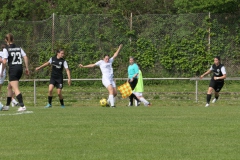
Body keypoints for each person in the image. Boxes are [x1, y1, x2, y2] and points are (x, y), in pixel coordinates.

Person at [0, 33, 29, 111]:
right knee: (9, 87)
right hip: (20, 68)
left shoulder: (6, 49)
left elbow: (4, 62)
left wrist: (2, 71)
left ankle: (22, 106)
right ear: (13, 39)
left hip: (13, 69)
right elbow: (25, 57)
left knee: (15, 88)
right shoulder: (19, 47)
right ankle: (7, 106)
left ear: (6, 40)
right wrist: (27, 68)